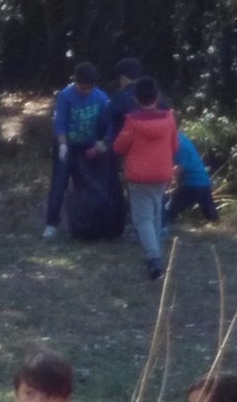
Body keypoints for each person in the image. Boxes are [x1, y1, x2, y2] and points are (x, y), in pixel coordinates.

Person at [112, 76, 179, 281]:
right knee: (156, 212)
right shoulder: (169, 118)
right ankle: (155, 252)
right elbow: (175, 146)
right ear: (156, 96)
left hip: (139, 176)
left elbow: (119, 147)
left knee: (143, 219)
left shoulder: (133, 121)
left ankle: (154, 260)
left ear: (136, 99)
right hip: (162, 173)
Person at [43, 62, 110, 240]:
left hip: (88, 148)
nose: (86, 91)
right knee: (59, 184)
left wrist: (102, 143)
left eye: (89, 87)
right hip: (68, 146)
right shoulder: (65, 96)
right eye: (83, 87)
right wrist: (63, 144)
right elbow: (60, 122)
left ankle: (84, 223)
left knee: (87, 187)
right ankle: (51, 223)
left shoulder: (101, 98)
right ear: (76, 82)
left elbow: (109, 122)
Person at [165, 132, 219, 225]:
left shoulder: (180, 145)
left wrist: (163, 181)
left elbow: (179, 168)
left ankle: (164, 231)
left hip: (192, 184)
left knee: (169, 211)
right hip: (202, 183)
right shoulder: (180, 137)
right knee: (212, 216)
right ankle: (219, 233)